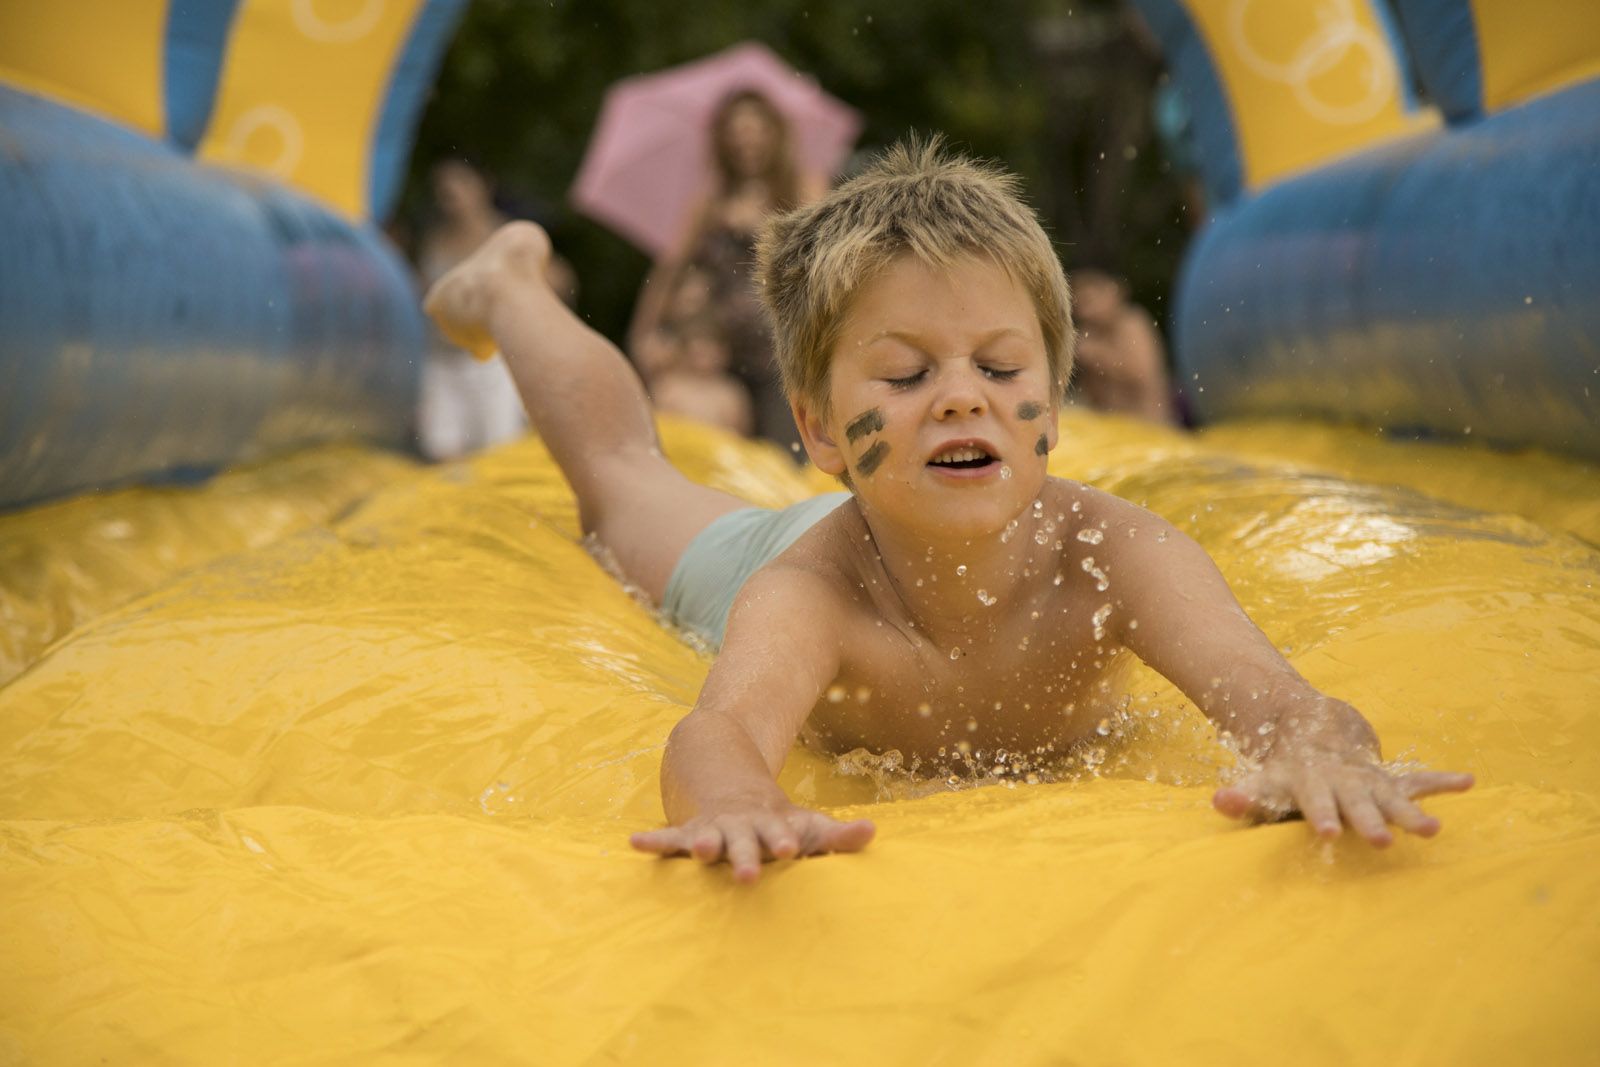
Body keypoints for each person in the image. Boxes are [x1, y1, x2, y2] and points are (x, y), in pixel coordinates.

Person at [423, 140, 1473, 885]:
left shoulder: (1114, 555)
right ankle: (513, 286)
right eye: (906, 372)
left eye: (1000, 364)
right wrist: (735, 799)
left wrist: (1321, 748)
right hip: (797, 546)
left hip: (879, 525)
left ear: (1050, 409)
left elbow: (1272, 694)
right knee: (619, 478)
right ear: (822, 431)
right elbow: (721, 729)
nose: (962, 395)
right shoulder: (801, 594)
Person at [628, 89, 827, 453]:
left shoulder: (803, 186)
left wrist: (768, 225)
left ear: (774, 134)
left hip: (780, 351)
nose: (746, 142)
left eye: (754, 131)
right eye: (736, 134)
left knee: (785, 452)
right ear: (724, 141)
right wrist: (645, 333)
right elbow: (669, 270)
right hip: (718, 352)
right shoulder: (710, 200)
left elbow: (821, 260)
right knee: (721, 454)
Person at [415, 159, 575, 460]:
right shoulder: (435, 238)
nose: (449, 193)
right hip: (443, 358)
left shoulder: (508, 235)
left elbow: (561, 281)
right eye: (443, 187)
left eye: (459, 183)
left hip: (494, 360)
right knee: (441, 450)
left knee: (498, 447)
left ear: (483, 185)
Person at [1068, 267, 1180, 425]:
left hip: (1149, 426)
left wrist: (1097, 355)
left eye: (1090, 300)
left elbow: (1142, 375)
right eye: (1078, 303)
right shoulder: (1091, 333)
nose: (1084, 312)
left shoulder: (1132, 323)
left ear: (1116, 292)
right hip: (1112, 427)